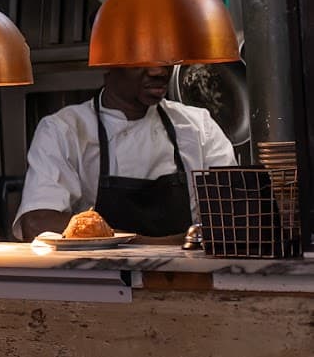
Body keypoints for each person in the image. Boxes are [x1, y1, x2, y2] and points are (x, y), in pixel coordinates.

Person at [13, 65, 237, 241]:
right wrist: (155, 245)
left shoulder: (199, 127)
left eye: (164, 58)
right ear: (107, 63)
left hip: (190, 282)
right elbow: (37, 222)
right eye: (140, 60)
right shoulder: (64, 130)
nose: (158, 71)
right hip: (101, 285)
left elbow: (237, 212)